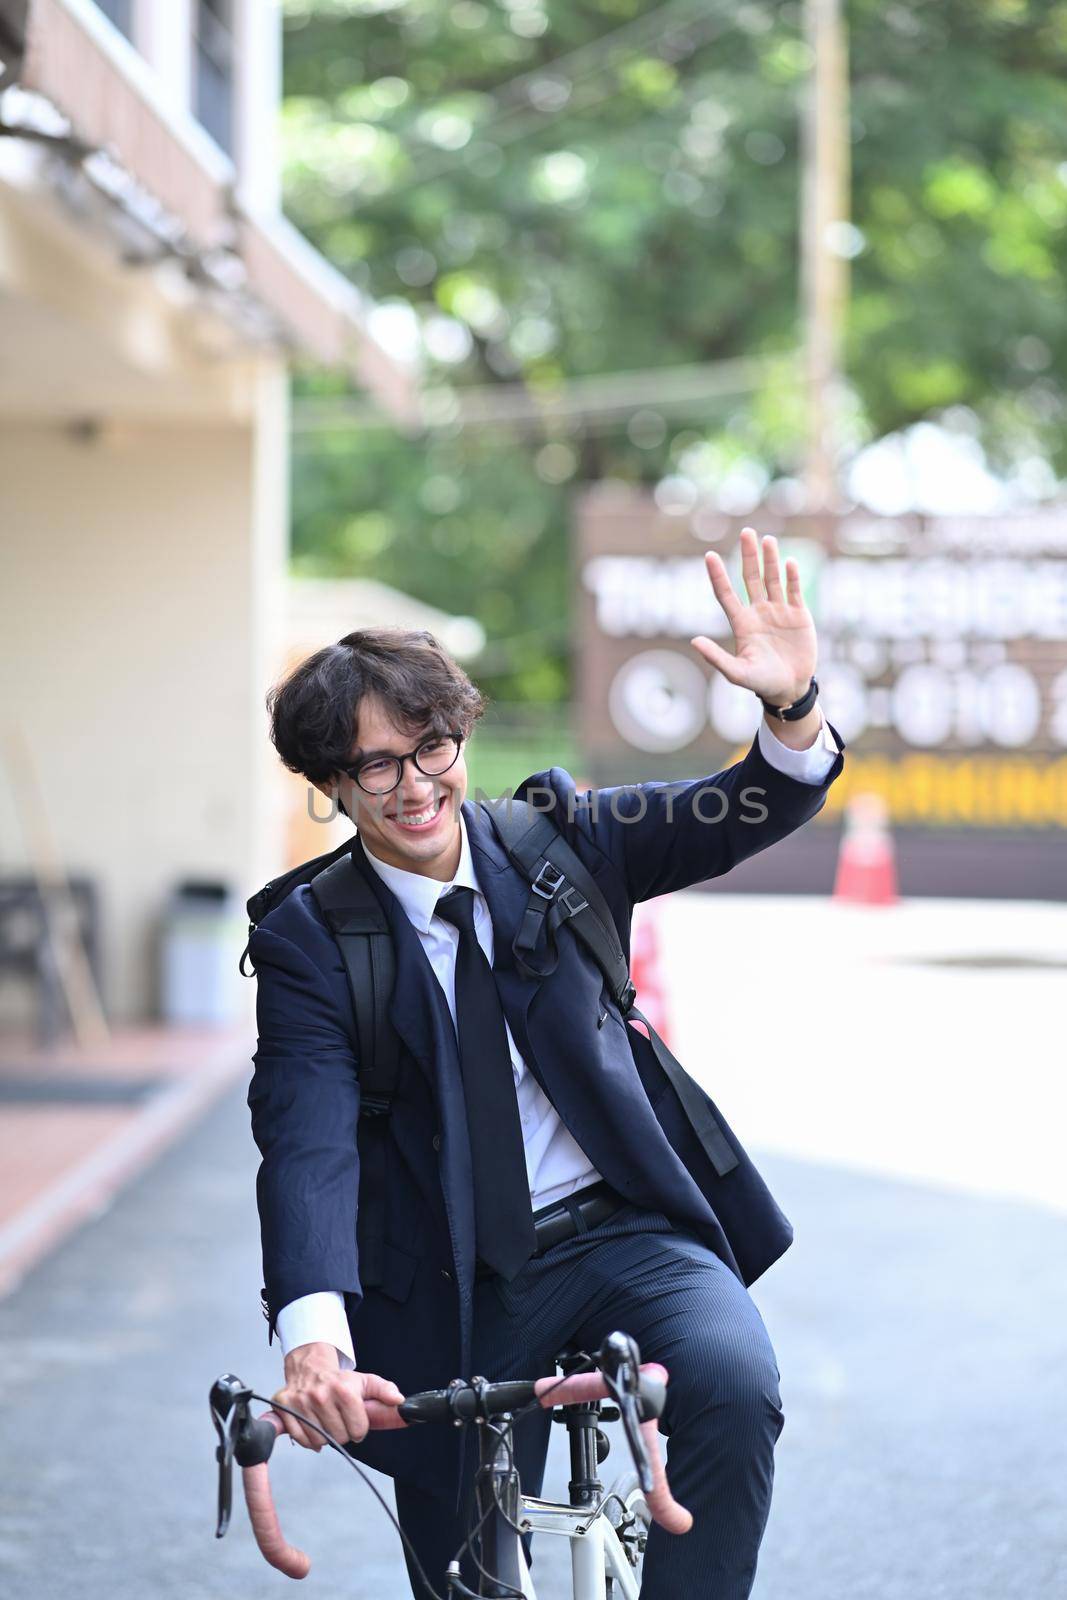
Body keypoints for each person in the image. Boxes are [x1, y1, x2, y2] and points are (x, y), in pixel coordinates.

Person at [247, 527, 845, 1598]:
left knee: (732, 1378)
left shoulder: (562, 840)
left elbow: (757, 800)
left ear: (456, 735)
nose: (412, 784)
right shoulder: (308, 937)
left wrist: (790, 705)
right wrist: (313, 1338)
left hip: (625, 1227)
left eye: (428, 745)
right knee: (467, 1561)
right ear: (331, 783)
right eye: (372, 764)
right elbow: (306, 1137)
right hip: (451, 1270)